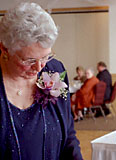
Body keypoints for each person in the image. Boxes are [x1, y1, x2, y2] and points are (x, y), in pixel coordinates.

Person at [0, 2, 82, 160]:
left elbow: (68, 135)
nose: (39, 67)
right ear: (5, 49)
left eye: (45, 57)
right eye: (29, 60)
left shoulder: (55, 70)